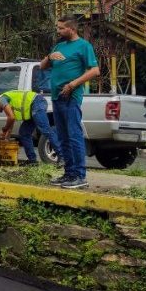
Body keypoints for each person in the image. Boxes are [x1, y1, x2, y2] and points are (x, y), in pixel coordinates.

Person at [39, 15, 99, 189]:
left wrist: (73, 84)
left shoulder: (83, 46)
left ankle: (80, 176)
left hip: (71, 97)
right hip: (57, 97)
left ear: (71, 29)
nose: (58, 31)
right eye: (57, 27)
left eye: (61, 28)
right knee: (63, 137)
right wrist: (50, 57)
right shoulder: (59, 46)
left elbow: (95, 70)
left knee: (74, 136)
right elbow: (42, 66)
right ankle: (69, 173)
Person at [0, 85, 61, 166]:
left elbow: (11, 118)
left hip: (37, 102)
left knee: (45, 130)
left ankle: (62, 157)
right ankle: (32, 161)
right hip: (32, 108)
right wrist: (6, 138)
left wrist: (4, 130)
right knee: (24, 133)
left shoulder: (2, 99)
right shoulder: (7, 102)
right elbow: (12, 120)